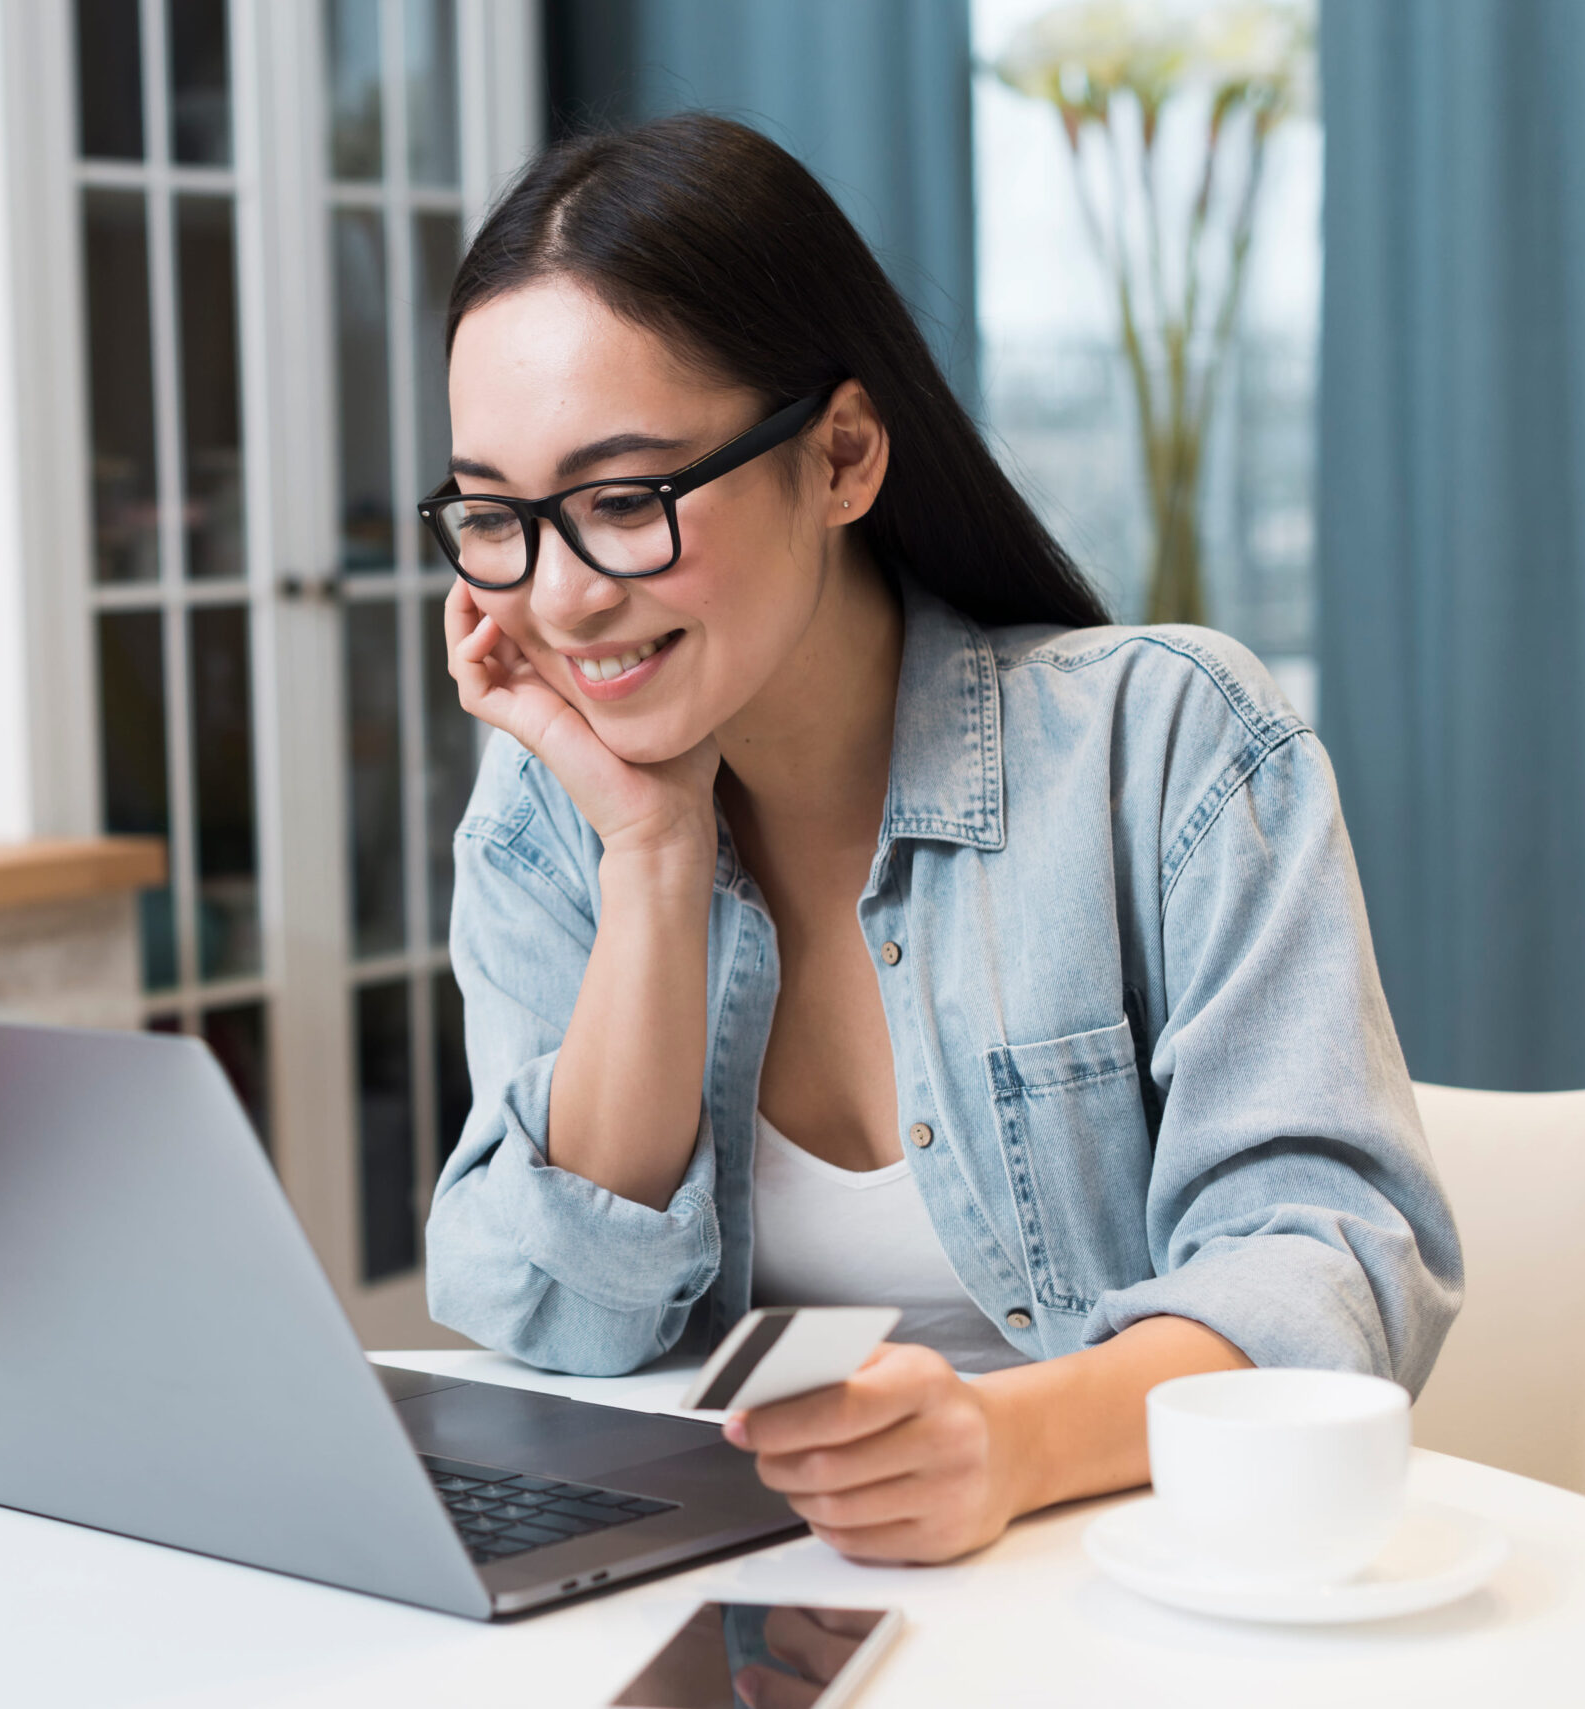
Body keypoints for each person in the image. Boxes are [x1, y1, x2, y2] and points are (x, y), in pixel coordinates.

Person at [422, 114, 1460, 1567]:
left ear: (841, 455)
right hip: (755, 1607)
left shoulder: (1165, 750)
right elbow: (566, 1320)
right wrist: (653, 856)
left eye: (622, 500)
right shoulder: (550, 822)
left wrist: (1015, 1441)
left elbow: (1333, 1277)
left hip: (1129, 1592)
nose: (562, 594)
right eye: (495, 517)